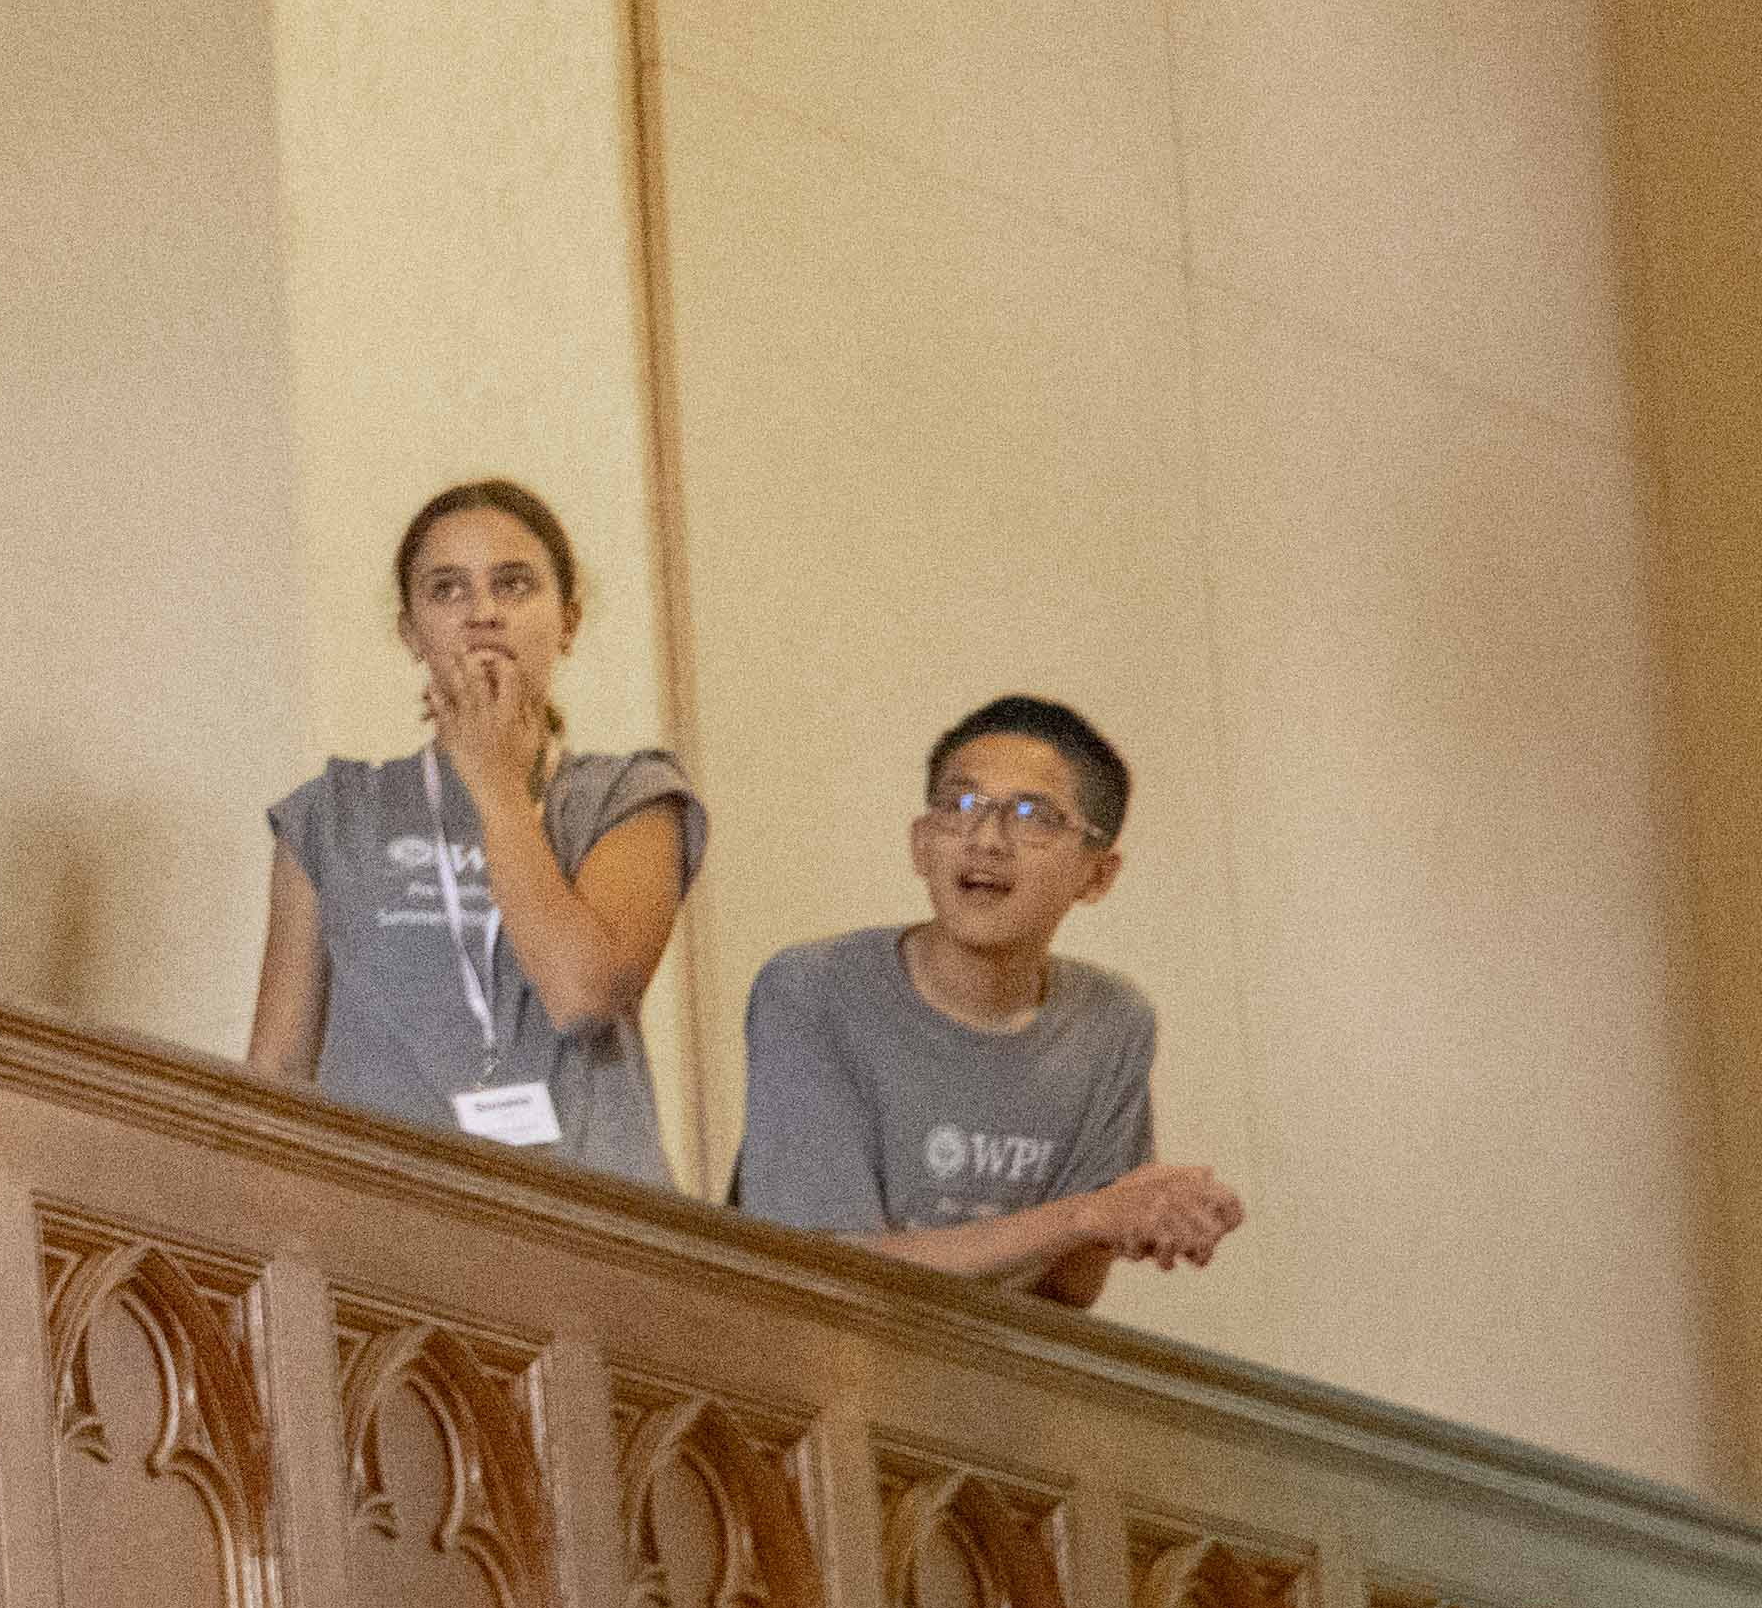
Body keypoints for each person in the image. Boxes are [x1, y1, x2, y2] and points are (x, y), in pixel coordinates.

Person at [244, 478, 702, 1185]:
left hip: (592, 1217)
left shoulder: (631, 796)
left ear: (569, 621)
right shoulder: (334, 812)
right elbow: (277, 1071)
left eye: (515, 584)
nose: (483, 612)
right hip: (387, 1220)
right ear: (410, 632)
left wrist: (493, 781)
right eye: (447, 589)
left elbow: (583, 992)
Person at [729, 697, 1244, 1302]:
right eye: (962, 804)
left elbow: (1069, 1289)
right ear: (921, 845)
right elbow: (822, 1272)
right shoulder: (813, 990)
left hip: (987, 1381)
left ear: (1097, 876)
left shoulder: (1112, 1025)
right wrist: (1086, 1216)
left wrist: (1153, 1215)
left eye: (1033, 814)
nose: (986, 839)